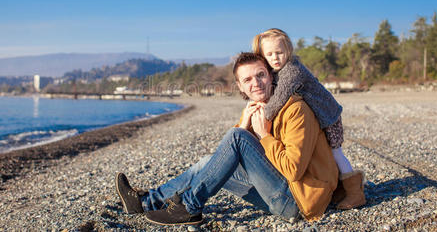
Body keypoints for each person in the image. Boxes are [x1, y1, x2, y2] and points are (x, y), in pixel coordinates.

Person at [115, 52, 338, 226]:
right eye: (247, 79)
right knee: (206, 161)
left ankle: (190, 208)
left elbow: (292, 170)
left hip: (299, 202)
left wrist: (264, 136)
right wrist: (244, 126)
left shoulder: (296, 109)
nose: (256, 83)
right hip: (275, 190)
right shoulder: (256, 111)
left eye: (261, 75)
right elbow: (226, 157)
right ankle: (145, 202)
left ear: (271, 76)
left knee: (236, 137)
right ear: (240, 87)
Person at [252, 28, 366, 209]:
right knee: (324, 154)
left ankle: (355, 193)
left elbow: (278, 100)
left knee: (336, 154)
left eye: (279, 53)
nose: (275, 58)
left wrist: (260, 119)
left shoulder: (292, 71)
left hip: (329, 116)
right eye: (269, 54)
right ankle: (339, 189)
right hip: (318, 116)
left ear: (288, 51)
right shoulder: (277, 71)